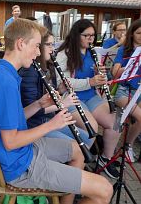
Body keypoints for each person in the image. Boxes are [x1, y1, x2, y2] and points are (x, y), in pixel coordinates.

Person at [0, 19, 112, 204]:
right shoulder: (6, 83)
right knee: (105, 190)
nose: (37, 52)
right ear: (20, 43)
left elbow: (12, 121)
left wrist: (39, 105)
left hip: (19, 152)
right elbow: (10, 142)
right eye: (35, 46)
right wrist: (53, 124)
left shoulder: (2, 72)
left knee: (77, 150)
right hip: (19, 165)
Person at [56, 19, 121, 179]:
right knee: (90, 127)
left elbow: (96, 78)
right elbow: (61, 81)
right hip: (72, 98)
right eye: (87, 36)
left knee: (116, 122)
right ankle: (80, 163)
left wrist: (101, 78)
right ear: (76, 35)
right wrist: (89, 82)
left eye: (93, 36)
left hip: (91, 96)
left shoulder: (94, 53)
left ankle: (105, 159)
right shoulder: (64, 54)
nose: (91, 39)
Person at [19, 30, 97, 147]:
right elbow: (32, 110)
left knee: (88, 138)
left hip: (49, 118)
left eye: (53, 44)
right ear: (38, 46)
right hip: (36, 124)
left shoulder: (49, 66)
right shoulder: (29, 72)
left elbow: (50, 95)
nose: (52, 49)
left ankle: (78, 159)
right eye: (49, 45)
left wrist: (61, 90)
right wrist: (63, 104)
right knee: (76, 146)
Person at [112, 19, 141, 162]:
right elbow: (114, 72)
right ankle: (127, 146)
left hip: (138, 91)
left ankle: (127, 144)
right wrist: (130, 66)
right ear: (132, 34)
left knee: (131, 120)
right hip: (123, 90)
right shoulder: (123, 50)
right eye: (139, 33)